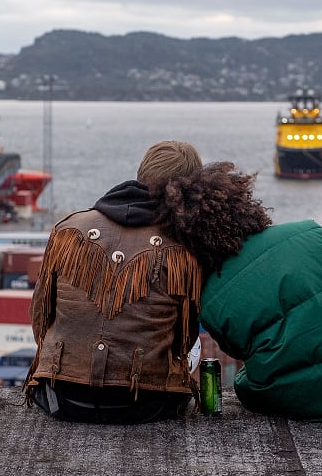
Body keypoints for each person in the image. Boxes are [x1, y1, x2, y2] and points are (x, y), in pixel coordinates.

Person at [160, 161, 322, 422]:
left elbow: (239, 352)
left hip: (306, 402)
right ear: (244, 204)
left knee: (245, 384)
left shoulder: (209, 300)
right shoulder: (311, 233)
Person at [25, 141, 204, 423]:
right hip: (146, 404)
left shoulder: (68, 229)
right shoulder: (184, 249)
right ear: (191, 191)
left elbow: (40, 318)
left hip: (61, 398)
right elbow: (186, 339)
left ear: (141, 174)